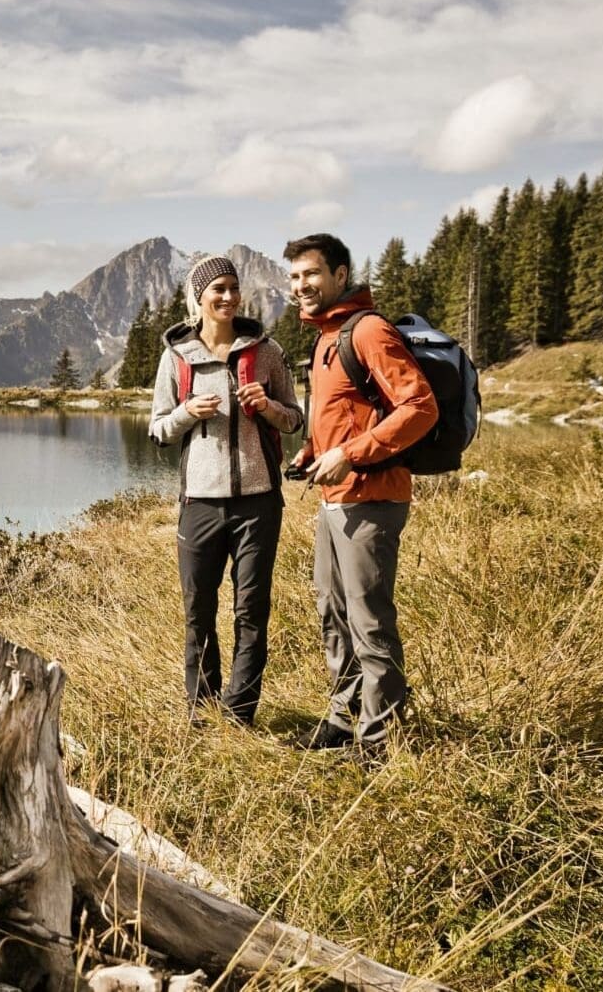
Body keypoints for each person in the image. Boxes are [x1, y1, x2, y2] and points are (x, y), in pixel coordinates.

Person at [282, 232, 438, 761]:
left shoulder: (367, 330)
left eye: (312, 274)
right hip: (334, 501)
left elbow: (420, 407)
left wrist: (352, 453)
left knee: (368, 618)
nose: (302, 285)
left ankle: (381, 741)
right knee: (333, 612)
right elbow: (343, 414)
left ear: (341, 276)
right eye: (295, 277)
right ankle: (344, 720)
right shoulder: (327, 336)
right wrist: (311, 450)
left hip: (372, 499)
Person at [149, 254, 303, 727]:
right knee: (199, 610)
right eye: (217, 288)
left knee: (251, 609)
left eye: (234, 288)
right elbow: (157, 430)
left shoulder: (267, 353)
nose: (228, 297)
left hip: (259, 502)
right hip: (200, 504)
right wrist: (188, 412)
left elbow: (296, 420)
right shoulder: (176, 356)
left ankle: (239, 714)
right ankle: (200, 709)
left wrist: (269, 407)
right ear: (199, 297)